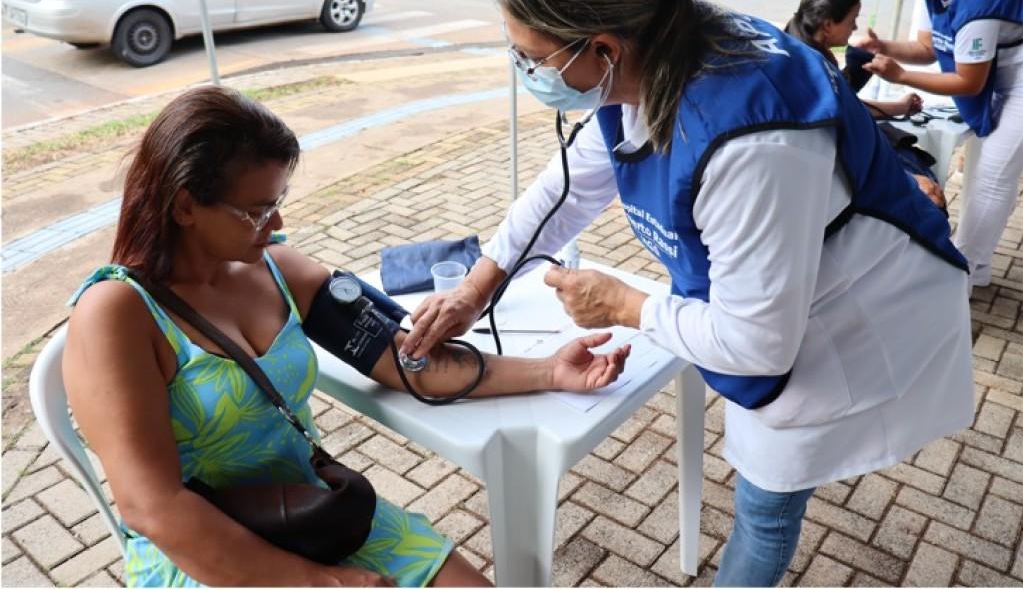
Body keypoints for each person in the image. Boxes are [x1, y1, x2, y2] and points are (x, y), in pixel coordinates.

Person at [403, 0, 973, 586]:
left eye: (532, 57)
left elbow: (759, 343)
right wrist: (477, 287)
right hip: (781, 294)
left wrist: (627, 304)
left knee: (765, 509)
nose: (524, 69)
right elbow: (566, 190)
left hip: (853, 311)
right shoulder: (648, 58)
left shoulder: (753, 142)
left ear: (603, 47)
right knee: (761, 480)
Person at [63, 86, 631, 587]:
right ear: (186, 205)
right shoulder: (117, 313)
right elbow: (151, 507)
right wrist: (318, 583)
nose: (277, 226)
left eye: (279, 203)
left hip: (314, 511)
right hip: (203, 549)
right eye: (258, 211)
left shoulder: (280, 270)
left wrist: (551, 372)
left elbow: (409, 360)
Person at [856, 0, 1023, 291]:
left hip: (1017, 77)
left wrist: (899, 76)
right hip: (999, 67)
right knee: (985, 166)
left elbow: (968, 81)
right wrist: (882, 46)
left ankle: (961, 273)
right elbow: (928, 49)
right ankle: (974, 267)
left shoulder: (977, 4)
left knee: (992, 176)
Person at [785, 0, 945, 209]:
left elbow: (842, 104)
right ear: (828, 25)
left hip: (834, 154)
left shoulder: (796, 40)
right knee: (930, 197)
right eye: (852, 20)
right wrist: (906, 179)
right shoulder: (812, 66)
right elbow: (841, 121)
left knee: (924, 182)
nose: (855, 27)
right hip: (831, 164)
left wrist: (861, 64)